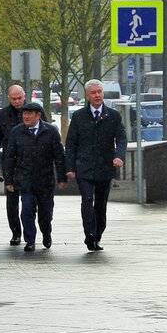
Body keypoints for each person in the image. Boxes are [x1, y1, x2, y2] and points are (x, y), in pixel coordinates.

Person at [65, 79, 127, 251]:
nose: (97, 95)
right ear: (87, 96)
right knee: (87, 199)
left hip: (104, 167)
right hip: (84, 167)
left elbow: (121, 138)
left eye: (99, 92)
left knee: (101, 203)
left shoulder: (113, 116)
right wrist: (69, 167)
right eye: (93, 93)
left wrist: (119, 156)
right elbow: (71, 143)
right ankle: (89, 234)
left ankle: (98, 233)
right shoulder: (78, 117)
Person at [3, 102, 67, 252]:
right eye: (24, 114)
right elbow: (10, 157)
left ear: (38, 115)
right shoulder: (17, 132)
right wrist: (9, 180)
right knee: (26, 210)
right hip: (25, 180)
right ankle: (30, 240)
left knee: (46, 213)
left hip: (45, 180)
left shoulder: (50, 131)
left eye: (29, 114)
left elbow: (59, 156)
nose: (26, 116)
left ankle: (46, 233)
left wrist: (62, 178)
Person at [0, 84, 27, 246]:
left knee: (30, 200)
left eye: (19, 98)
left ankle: (30, 230)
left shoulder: (34, 112)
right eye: (13, 99)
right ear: (9, 98)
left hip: (30, 163)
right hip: (10, 163)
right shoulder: (1, 116)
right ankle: (15, 232)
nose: (17, 102)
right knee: (12, 200)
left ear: (25, 96)